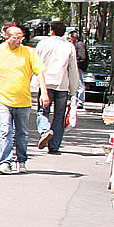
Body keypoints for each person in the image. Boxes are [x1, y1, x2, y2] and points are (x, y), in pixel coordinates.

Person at [0, 26, 48, 174]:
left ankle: (21, 160)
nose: (19, 41)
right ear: (7, 37)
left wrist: (44, 92)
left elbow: (40, 72)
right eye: (16, 38)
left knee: (22, 133)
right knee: (5, 130)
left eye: (21, 38)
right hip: (3, 99)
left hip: (23, 101)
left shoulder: (29, 52)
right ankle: (5, 162)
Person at [34, 21, 80, 154]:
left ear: (52, 31)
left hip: (45, 84)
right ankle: (54, 146)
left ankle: (45, 130)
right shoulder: (69, 46)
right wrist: (74, 90)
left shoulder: (43, 44)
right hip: (62, 84)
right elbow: (73, 69)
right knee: (59, 115)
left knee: (43, 111)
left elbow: (35, 63)